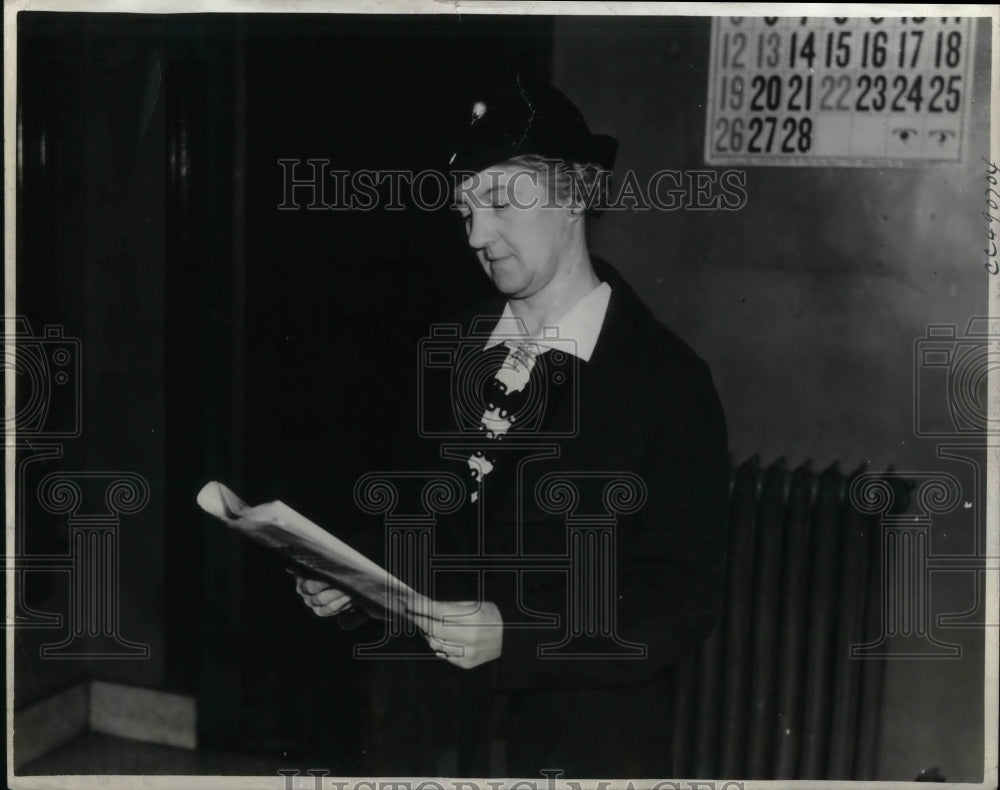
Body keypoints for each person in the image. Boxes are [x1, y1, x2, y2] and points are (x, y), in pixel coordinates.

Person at [293, 83, 729, 778]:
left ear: (575, 195)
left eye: (500, 202)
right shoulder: (452, 346)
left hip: (577, 741)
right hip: (430, 732)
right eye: (466, 209)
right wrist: (357, 580)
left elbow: (678, 599)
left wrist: (516, 637)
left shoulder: (666, 381)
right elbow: (429, 521)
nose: (475, 235)